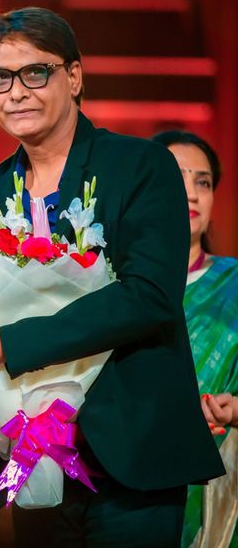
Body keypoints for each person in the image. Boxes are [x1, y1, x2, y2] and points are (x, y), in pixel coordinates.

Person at [0, 7, 225, 546]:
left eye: (35, 72)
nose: (16, 92)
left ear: (73, 76)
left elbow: (148, 297)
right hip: (33, 454)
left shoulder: (140, 167)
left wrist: (7, 342)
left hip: (130, 454)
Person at [151, 130, 238, 548]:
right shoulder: (109, 285)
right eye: (174, 178)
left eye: (202, 182)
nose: (191, 194)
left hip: (223, 489)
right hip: (135, 486)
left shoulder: (235, 284)